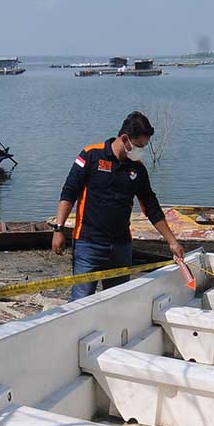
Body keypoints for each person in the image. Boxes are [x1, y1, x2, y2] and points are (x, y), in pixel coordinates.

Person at [52, 111, 184, 300]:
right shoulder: (91, 155)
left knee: (118, 301)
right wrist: (58, 229)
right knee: (81, 301)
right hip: (88, 244)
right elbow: (69, 192)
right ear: (124, 139)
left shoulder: (137, 168)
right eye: (139, 146)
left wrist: (173, 242)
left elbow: (151, 207)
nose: (141, 151)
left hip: (121, 246)